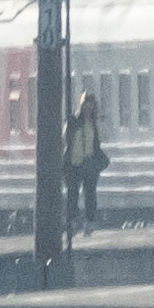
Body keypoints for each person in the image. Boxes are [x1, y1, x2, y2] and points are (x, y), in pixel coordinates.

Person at [65, 90, 108, 225]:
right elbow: (66, 140)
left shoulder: (93, 124)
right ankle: (73, 218)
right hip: (74, 163)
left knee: (90, 193)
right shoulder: (73, 122)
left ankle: (90, 219)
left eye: (91, 105)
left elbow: (96, 144)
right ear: (81, 106)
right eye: (86, 105)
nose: (88, 108)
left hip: (88, 162)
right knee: (73, 193)